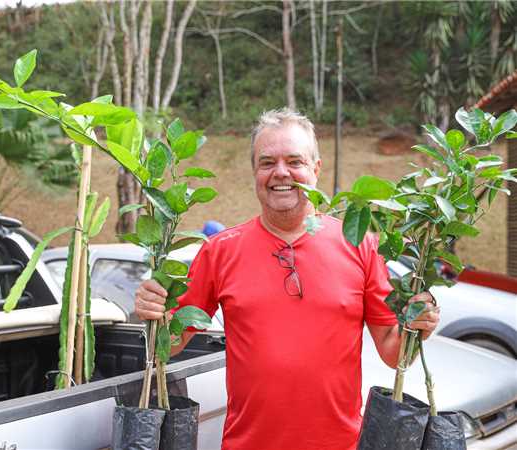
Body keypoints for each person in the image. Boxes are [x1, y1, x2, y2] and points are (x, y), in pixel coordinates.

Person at [134, 108, 440, 450]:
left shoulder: (359, 245)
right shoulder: (220, 251)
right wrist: (151, 312)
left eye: (294, 161)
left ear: (316, 169)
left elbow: (392, 350)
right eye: (267, 163)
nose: (281, 173)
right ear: (255, 172)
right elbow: (170, 345)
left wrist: (418, 326)